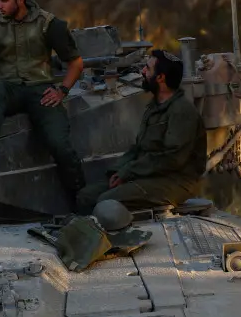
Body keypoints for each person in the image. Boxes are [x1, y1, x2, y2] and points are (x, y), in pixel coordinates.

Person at [0, 0, 87, 205]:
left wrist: (62, 90)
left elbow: (75, 62)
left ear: (20, 0)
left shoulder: (48, 23)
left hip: (40, 90)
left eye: (4, 1)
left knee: (59, 144)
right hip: (7, 89)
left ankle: (80, 199)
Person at [75, 49, 207, 215]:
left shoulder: (182, 112)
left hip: (177, 180)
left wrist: (128, 172)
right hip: (149, 174)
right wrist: (118, 170)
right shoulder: (154, 107)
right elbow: (138, 148)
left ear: (161, 78)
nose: (142, 72)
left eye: (148, 69)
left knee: (106, 203)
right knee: (86, 196)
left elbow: (172, 159)